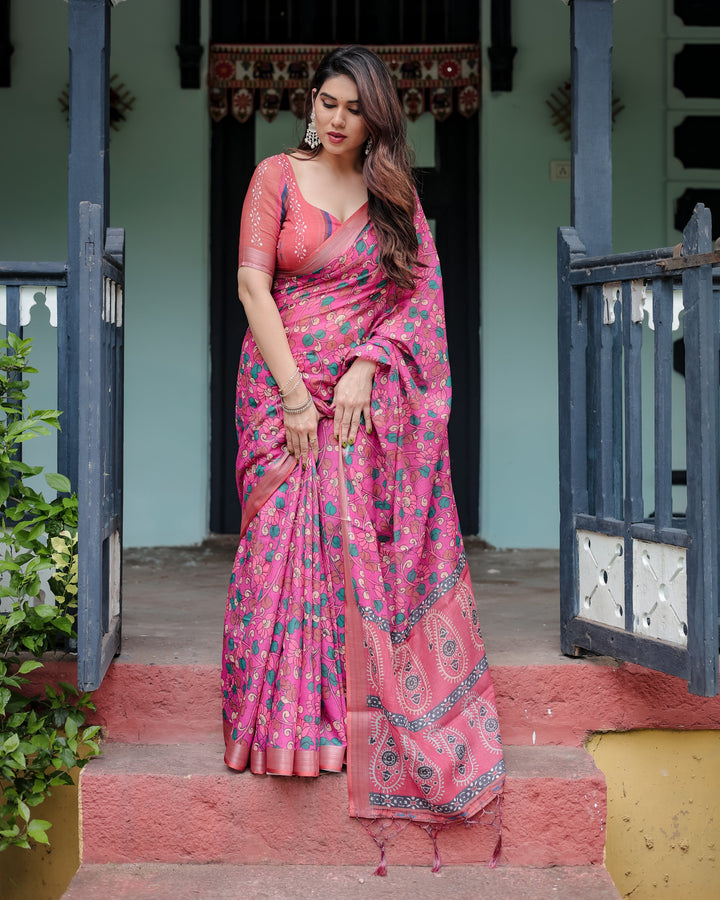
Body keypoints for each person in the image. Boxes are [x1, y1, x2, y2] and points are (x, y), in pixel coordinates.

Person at [221, 45, 504, 864]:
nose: (335, 117)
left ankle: (339, 728)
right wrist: (295, 395)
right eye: (326, 101)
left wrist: (367, 366)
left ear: (375, 113)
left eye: (352, 106)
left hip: (356, 406)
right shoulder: (275, 175)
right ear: (310, 104)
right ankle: (276, 731)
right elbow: (252, 287)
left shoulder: (393, 197)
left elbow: (419, 296)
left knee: (351, 562)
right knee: (278, 554)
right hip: (281, 395)